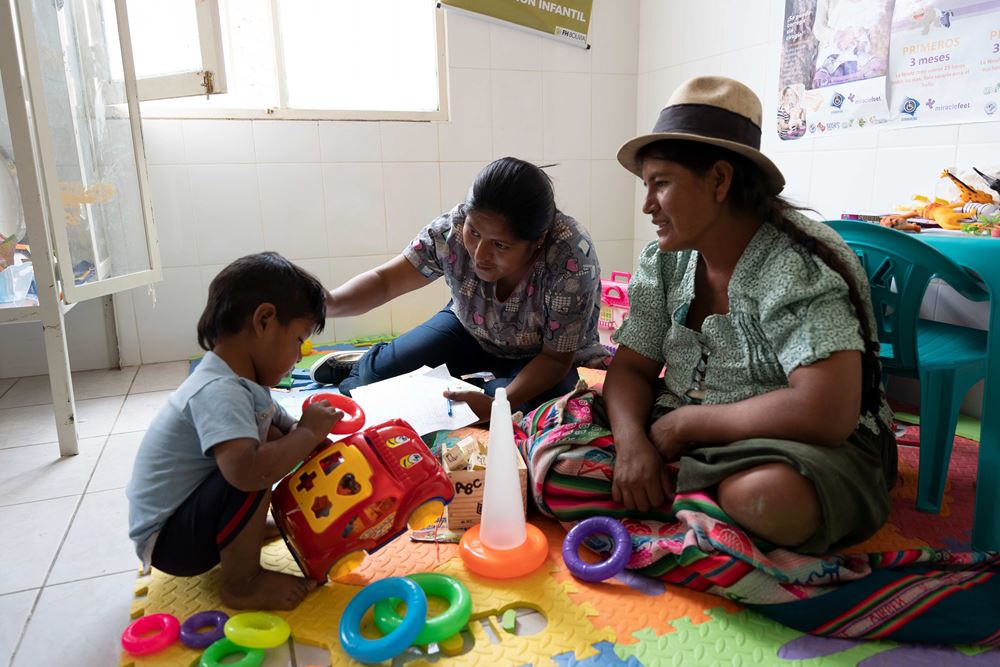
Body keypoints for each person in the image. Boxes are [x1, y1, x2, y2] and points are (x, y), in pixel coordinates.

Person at [604, 76, 897, 554]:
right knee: (554, 450)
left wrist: (688, 426)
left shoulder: (797, 263)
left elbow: (827, 411)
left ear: (719, 180)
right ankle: (697, 502)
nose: (647, 206)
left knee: (764, 497)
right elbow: (631, 368)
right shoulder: (666, 258)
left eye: (661, 184)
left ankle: (696, 496)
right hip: (678, 424)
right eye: (646, 186)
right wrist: (632, 444)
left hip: (798, 443)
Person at [126, 252, 343, 610]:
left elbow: (279, 429)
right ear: (264, 321)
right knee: (252, 468)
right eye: (299, 340)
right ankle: (242, 585)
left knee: (269, 448)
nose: (299, 355)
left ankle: (244, 534)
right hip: (171, 541)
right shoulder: (218, 389)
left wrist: (315, 441)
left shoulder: (244, 383)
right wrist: (305, 435)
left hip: (190, 520)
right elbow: (247, 470)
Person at [321, 157, 607, 420]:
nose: (480, 254)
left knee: (540, 411)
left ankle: (480, 388)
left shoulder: (570, 257)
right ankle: (374, 364)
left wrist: (500, 403)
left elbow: (555, 359)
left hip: (542, 355)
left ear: (539, 240)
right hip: (469, 329)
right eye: (474, 232)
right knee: (371, 383)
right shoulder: (451, 230)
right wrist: (326, 304)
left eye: (500, 245)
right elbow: (385, 282)